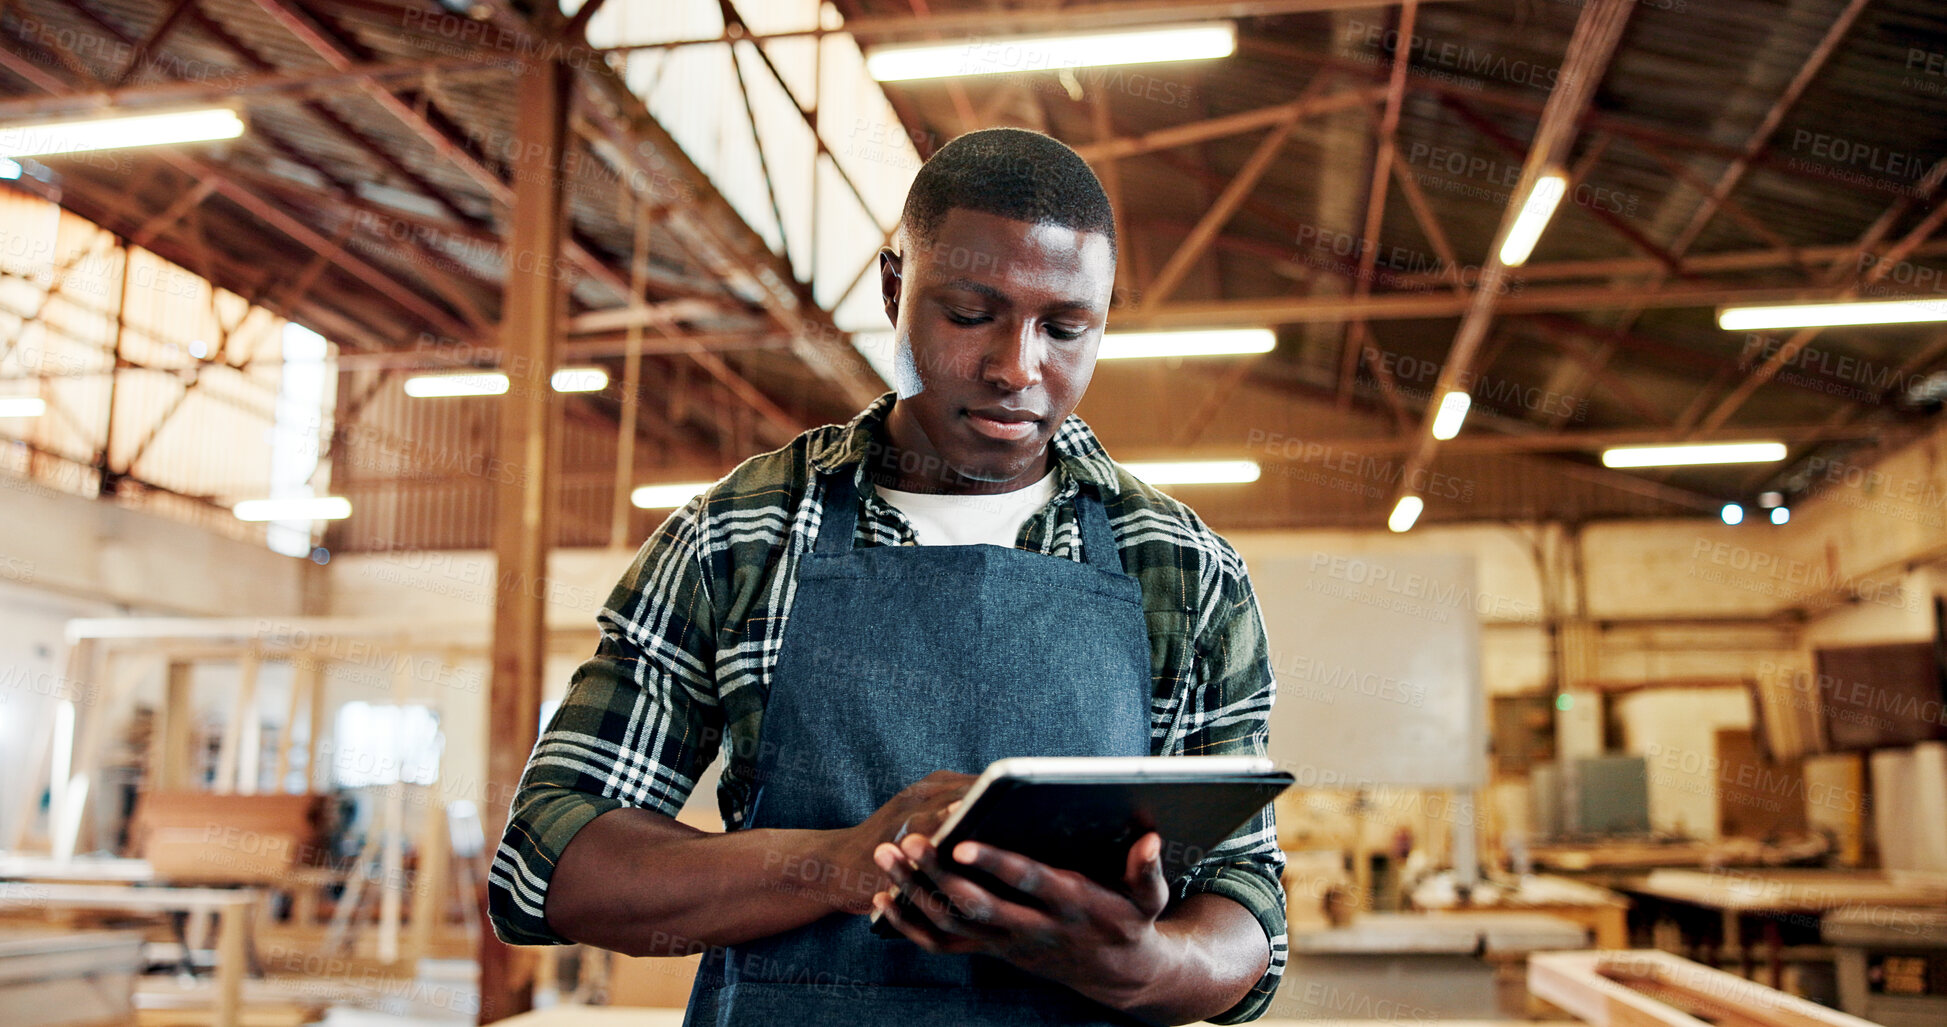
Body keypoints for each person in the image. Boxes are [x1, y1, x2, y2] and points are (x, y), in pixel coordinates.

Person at [488, 127, 1284, 1026]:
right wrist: (839, 861)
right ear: (894, 287)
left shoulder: (1184, 570)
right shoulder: (741, 535)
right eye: (970, 313)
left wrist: (1142, 963)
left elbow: (1244, 901)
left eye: (1065, 328)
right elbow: (549, 858)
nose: (1016, 368)